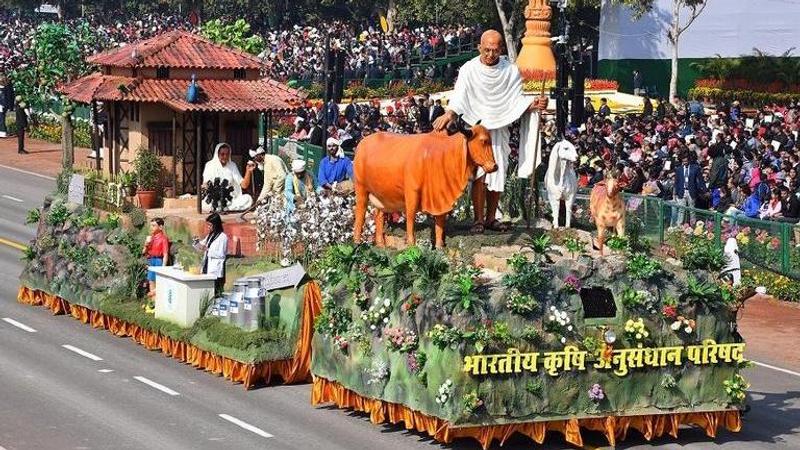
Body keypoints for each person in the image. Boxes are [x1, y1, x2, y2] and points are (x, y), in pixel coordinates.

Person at [432, 29, 547, 233]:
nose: (490, 54)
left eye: (495, 50)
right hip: (477, 131)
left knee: (497, 172)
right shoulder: (469, 69)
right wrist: (449, 114)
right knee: (479, 175)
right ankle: (477, 220)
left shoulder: (510, 71)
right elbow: (460, 96)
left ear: (501, 49)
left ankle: (491, 218)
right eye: (486, 50)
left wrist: (533, 103)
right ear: (479, 48)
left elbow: (515, 101)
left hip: (500, 127)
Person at [201, 143, 253, 211]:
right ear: (217, 154)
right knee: (204, 204)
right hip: (215, 200)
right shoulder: (209, 165)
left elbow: (244, 185)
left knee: (248, 199)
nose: (225, 156)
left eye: (227, 154)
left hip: (230, 200)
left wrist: (248, 171)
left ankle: (223, 209)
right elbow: (205, 184)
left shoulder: (232, 165)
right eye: (222, 154)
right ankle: (223, 208)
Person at [672, 152, 706, 225]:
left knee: (692, 210)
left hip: (691, 191)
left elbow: (700, 180)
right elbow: (676, 182)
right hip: (682, 191)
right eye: (683, 161)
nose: (685, 163)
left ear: (689, 160)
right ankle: (679, 225)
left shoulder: (695, 168)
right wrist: (674, 193)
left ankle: (693, 225)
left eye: (686, 161)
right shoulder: (679, 169)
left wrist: (704, 190)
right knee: (681, 210)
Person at [199, 212, 227, 294]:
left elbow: (221, 254)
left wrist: (208, 250)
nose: (208, 227)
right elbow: (203, 244)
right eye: (208, 225)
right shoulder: (210, 235)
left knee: (215, 292)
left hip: (215, 269)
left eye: (210, 225)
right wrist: (197, 244)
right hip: (206, 266)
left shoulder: (223, 237)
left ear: (216, 225)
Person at [142, 217, 169, 298]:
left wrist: (163, 267)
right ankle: (152, 302)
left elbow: (165, 254)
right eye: (151, 225)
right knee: (151, 281)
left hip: (158, 260)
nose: (151, 228)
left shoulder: (163, 239)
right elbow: (143, 252)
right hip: (151, 260)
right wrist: (146, 244)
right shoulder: (150, 237)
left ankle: (156, 299)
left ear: (160, 227)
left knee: (158, 281)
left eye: (154, 226)